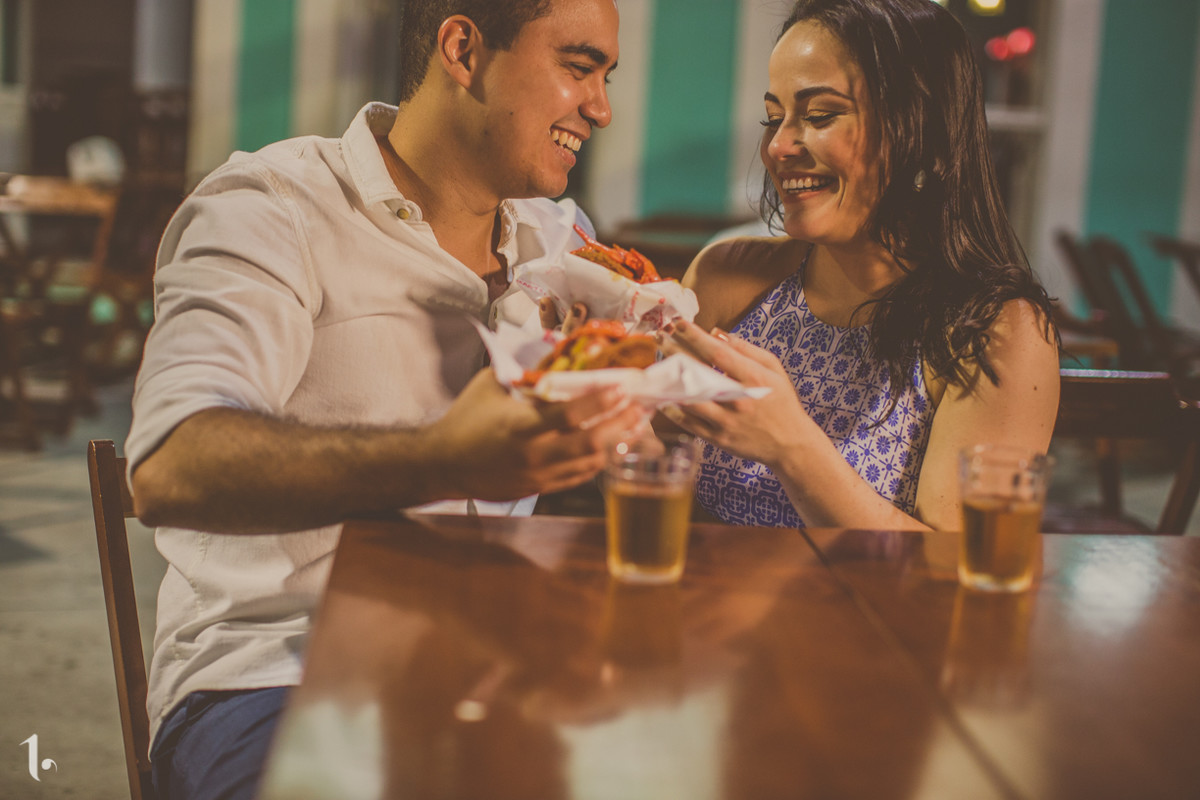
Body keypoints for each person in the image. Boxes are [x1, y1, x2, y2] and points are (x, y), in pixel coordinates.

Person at [125, 1, 632, 797]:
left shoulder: (561, 244)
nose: (601, 108)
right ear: (462, 50)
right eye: (578, 67)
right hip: (277, 674)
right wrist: (441, 459)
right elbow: (168, 466)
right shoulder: (270, 208)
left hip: (494, 659)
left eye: (606, 77)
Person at [663, 0, 1060, 532]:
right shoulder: (726, 276)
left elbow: (955, 575)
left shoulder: (998, 329)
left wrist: (793, 446)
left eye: (820, 115)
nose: (778, 146)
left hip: (866, 616)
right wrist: (599, 389)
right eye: (773, 117)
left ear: (927, 137)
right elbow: (650, 476)